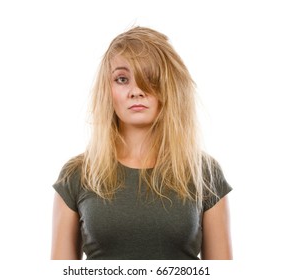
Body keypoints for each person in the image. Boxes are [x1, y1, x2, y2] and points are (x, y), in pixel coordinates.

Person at [51, 26, 232, 260]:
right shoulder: (77, 175)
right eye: (122, 79)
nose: (136, 91)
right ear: (108, 90)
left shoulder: (205, 173)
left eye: (150, 78)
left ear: (169, 88)